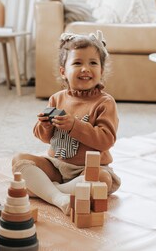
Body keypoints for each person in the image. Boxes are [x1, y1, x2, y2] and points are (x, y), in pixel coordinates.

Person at [12, 30, 121, 215]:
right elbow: (45, 138)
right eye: (77, 63)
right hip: (56, 165)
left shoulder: (105, 102)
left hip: (88, 169)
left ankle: (46, 191)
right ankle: (58, 196)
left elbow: (106, 140)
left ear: (101, 71)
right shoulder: (56, 99)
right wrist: (45, 126)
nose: (85, 68)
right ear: (63, 72)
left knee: (102, 180)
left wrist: (74, 126)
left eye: (93, 63)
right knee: (19, 160)